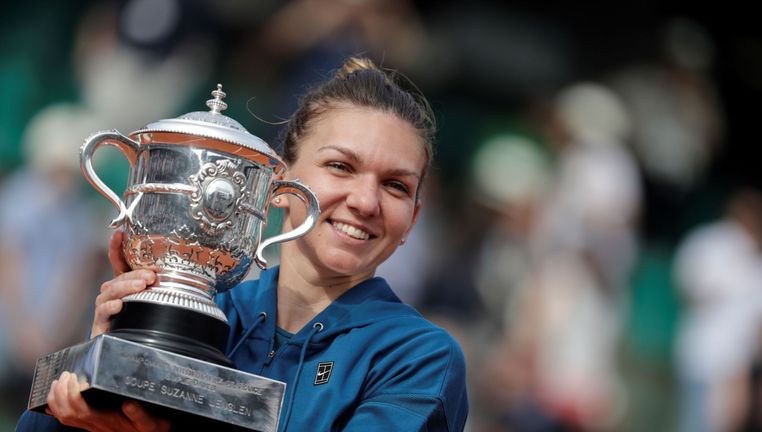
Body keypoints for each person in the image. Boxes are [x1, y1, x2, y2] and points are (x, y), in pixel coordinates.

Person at [16, 57, 469, 432]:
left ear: (413, 218)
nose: (365, 201)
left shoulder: (418, 357)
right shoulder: (208, 314)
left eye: (394, 186)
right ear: (280, 182)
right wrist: (106, 359)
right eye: (340, 167)